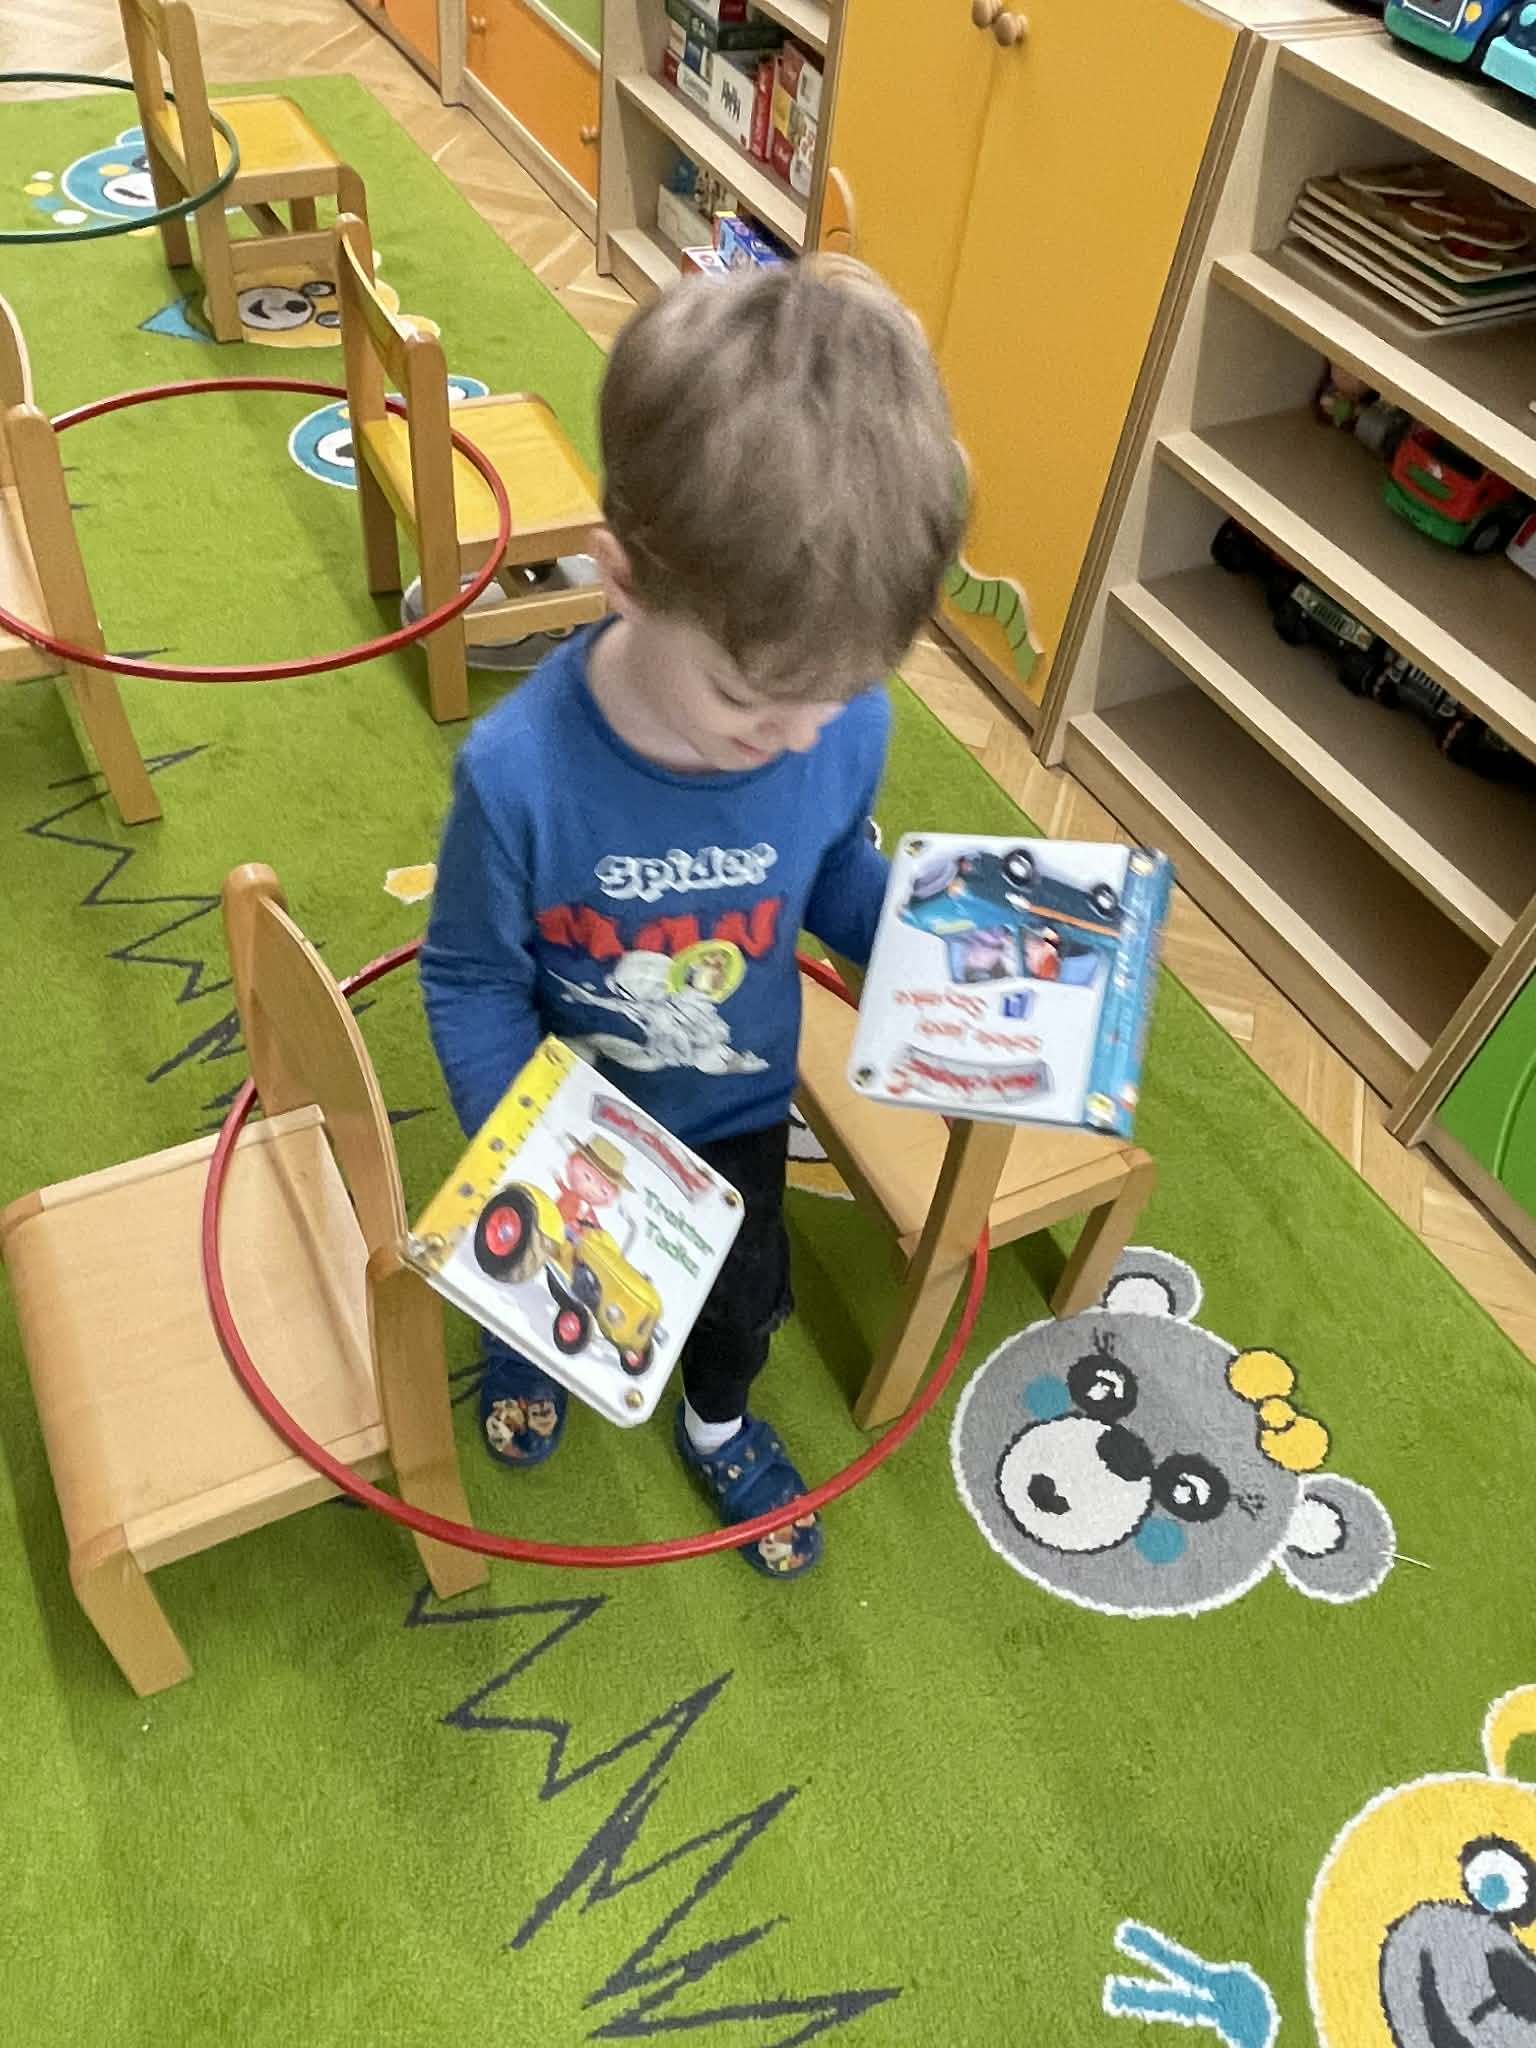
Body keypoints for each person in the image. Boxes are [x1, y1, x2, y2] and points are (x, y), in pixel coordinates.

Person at [420, 257, 967, 1578]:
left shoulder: (836, 724)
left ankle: (717, 1423)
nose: (800, 736)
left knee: (741, 1302)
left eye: (838, 695)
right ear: (618, 578)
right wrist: (529, 1154)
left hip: (737, 1111)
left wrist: (933, 945)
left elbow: (828, 873)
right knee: (548, 1274)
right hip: (569, 1113)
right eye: (747, 701)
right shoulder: (519, 774)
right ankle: (526, 1343)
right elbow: (470, 980)